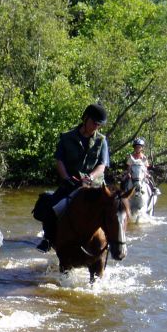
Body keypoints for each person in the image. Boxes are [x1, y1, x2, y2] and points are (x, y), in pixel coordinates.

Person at [36, 103, 110, 252]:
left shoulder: (101, 141)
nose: (96, 127)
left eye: (99, 125)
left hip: (94, 185)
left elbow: (102, 165)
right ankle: (48, 239)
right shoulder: (66, 137)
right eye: (94, 123)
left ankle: (113, 243)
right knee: (52, 207)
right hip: (71, 183)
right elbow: (59, 161)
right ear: (85, 119)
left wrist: (91, 176)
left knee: (113, 210)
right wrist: (65, 177)